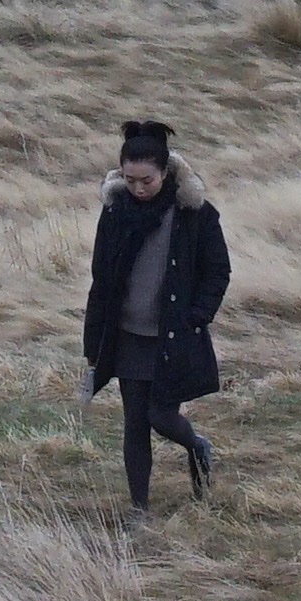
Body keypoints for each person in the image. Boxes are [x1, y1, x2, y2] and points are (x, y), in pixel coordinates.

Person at [79, 117, 226, 510]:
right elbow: (101, 278)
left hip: (172, 336)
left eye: (147, 180)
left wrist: (197, 316)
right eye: (130, 180)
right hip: (126, 335)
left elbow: (218, 271)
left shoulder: (194, 214)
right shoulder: (115, 213)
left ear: (166, 172)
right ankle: (139, 510)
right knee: (134, 424)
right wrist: (94, 341)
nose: (138, 188)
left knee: (161, 416)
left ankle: (197, 447)